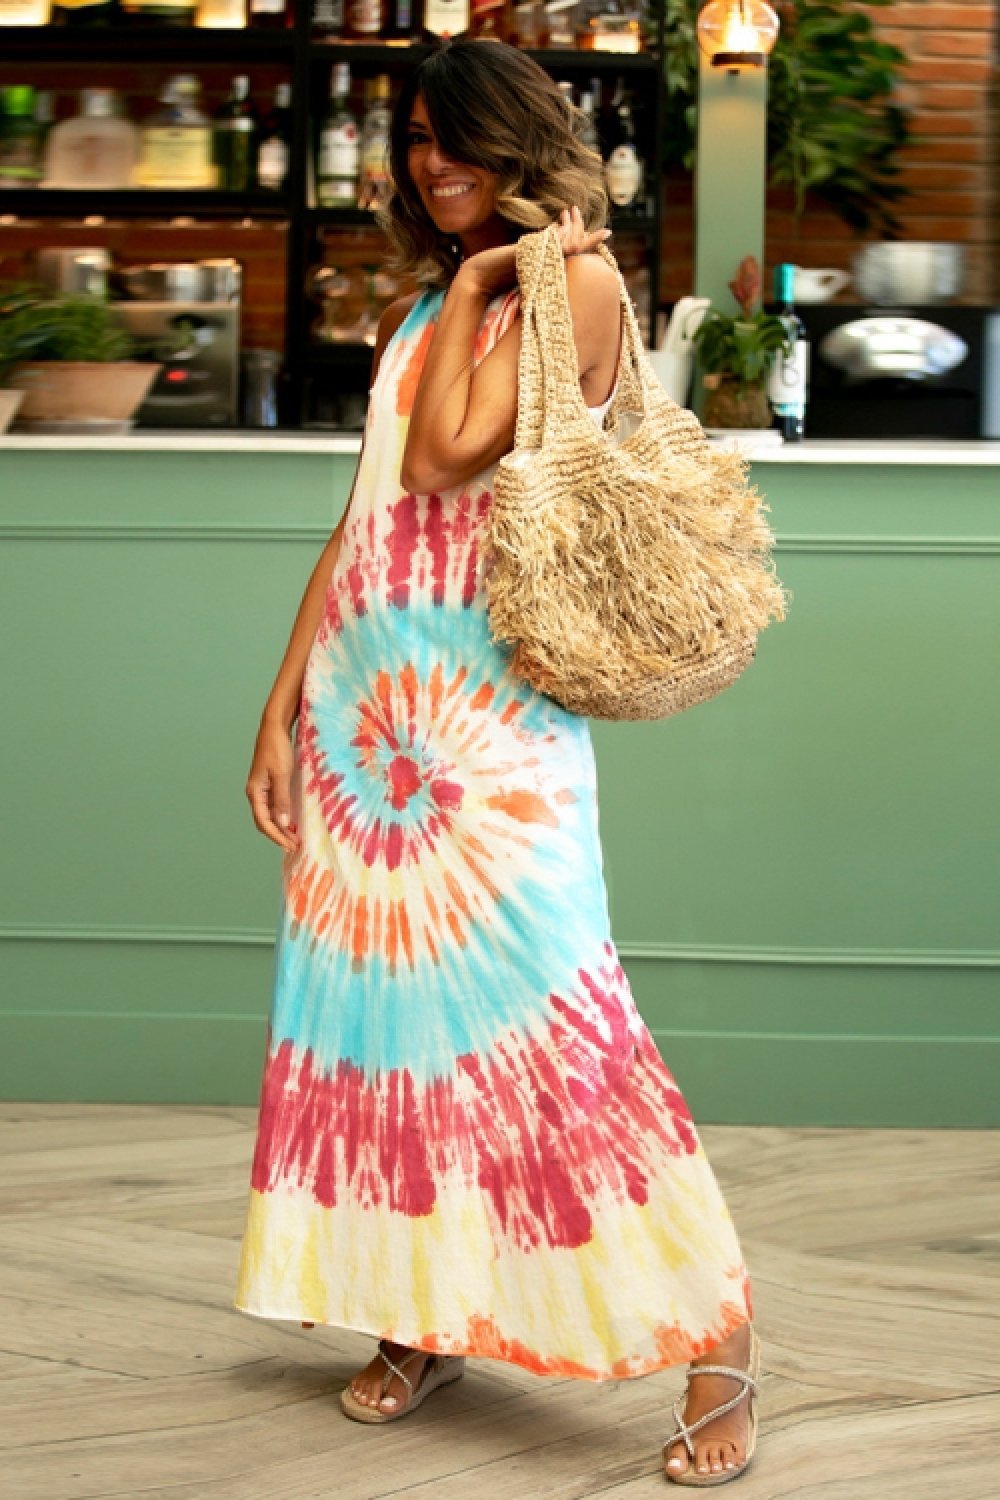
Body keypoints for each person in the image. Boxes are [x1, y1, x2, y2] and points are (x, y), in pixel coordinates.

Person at [236, 37, 760, 1487]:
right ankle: (420, 1317)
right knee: (383, 1032)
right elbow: (368, 512)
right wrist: (280, 705)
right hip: (365, 714)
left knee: (554, 1028)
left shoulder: (565, 285)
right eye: (414, 137)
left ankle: (719, 1341)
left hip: (490, 720)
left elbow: (445, 459)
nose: (431, 161)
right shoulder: (421, 299)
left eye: (455, 134)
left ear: (519, 140)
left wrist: (481, 286)